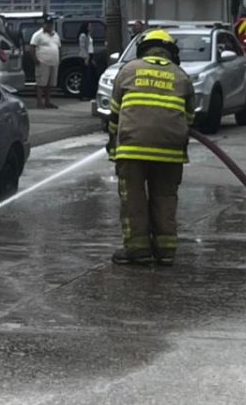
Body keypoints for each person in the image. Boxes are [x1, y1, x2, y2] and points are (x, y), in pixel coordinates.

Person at [106, 30, 195, 266]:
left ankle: (138, 250)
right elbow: (189, 118)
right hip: (170, 152)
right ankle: (165, 252)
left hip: (132, 150)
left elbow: (114, 113)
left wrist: (112, 141)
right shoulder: (181, 76)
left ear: (143, 50)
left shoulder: (128, 70)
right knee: (165, 198)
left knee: (133, 200)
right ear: (171, 52)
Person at [29, 16, 61, 109]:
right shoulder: (38, 35)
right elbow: (32, 47)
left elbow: (59, 47)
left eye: (51, 24)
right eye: (47, 24)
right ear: (44, 24)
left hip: (53, 62)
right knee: (41, 83)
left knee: (50, 84)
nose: (49, 26)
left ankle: (48, 102)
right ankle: (39, 103)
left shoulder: (55, 35)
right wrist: (35, 60)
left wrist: (59, 58)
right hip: (42, 62)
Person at [77, 21, 97, 101]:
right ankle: (83, 94)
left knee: (91, 76)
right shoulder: (83, 35)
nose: (90, 27)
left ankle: (90, 93)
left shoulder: (88, 35)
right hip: (85, 56)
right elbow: (82, 47)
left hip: (90, 55)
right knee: (85, 76)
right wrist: (86, 58)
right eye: (89, 26)